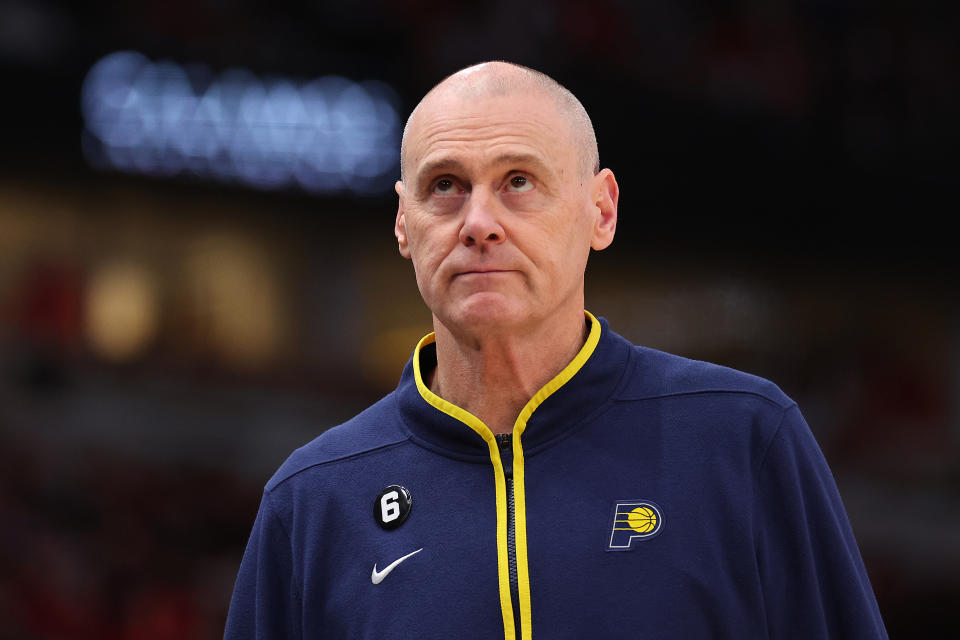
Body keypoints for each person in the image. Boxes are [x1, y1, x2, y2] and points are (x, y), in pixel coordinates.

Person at [225, 61, 887, 639]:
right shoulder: (311, 500)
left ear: (601, 210)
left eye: (518, 181)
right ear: (404, 223)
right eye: (445, 186)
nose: (479, 223)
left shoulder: (744, 437)